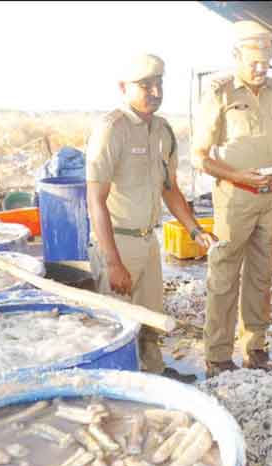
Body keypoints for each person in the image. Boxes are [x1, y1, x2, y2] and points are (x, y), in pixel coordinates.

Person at [86, 53, 216, 378]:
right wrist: (113, 262)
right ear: (123, 87)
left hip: (148, 240)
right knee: (116, 324)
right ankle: (121, 384)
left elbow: (169, 189)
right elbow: (95, 200)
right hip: (118, 241)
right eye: (146, 85)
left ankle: (155, 375)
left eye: (159, 83)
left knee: (150, 318)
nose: (155, 91)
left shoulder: (161, 131)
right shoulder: (111, 129)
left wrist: (194, 230)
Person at [192, 20, 272, 375]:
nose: (262, 67)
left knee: (261, 276)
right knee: (223, 277)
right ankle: (218, 355)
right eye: (254, 60)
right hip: (235, 200)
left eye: (267, 60)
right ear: (236, 55)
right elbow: (199, 156)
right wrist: (237, 176)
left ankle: (256, 347)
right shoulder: (219, 93)